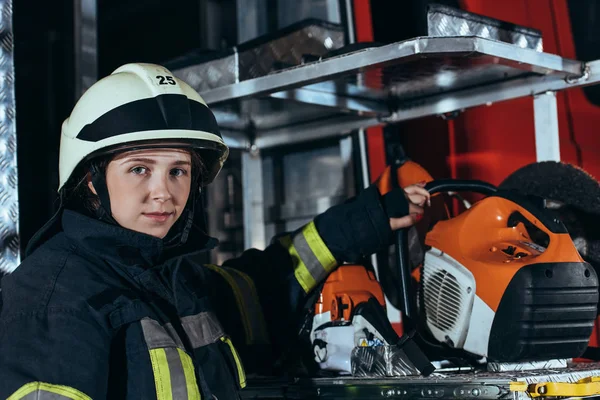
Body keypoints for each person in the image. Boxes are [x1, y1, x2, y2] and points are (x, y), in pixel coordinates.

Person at [0, 63, 429, 399]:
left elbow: (273, 279)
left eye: (178, 171)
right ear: (91, 180)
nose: (162, 193)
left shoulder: (176, 282)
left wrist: (373, 217)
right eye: (139, 169)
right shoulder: (55, 300)